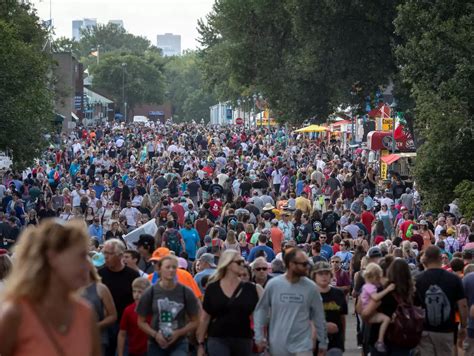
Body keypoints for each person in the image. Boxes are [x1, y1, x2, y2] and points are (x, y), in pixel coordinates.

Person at [0, 219, 101, 356]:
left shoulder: (86, 313)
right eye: (81, 256)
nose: (89, 265)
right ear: (52, 258)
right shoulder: (15, 315)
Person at [253, 247, 328, 356]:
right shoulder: (274, 285)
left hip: (303, 346)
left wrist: (323, 342)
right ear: (291, 264)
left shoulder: (311, 287)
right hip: (278, 346)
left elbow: (319, 316)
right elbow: (261, 311)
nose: (307, 267)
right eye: (304, 264)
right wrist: (259, 337)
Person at [196, 250, 263, 356]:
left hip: (243, 339)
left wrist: (259, 337)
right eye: (239, 262)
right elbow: (205, 318)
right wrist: (200, 344)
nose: (243, 264)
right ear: (228, 264)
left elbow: (256, 316)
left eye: (243, 261)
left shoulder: (250, 289)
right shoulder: (213, 288)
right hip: (218, 338)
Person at [136, 255, 200, 355]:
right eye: (167, 267)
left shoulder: (185, 292)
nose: (171, 270)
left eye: (174, 267)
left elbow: (195, 320)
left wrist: (179, 333)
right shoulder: (151, 292)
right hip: (156, 343)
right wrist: (155, 334)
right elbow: (141, 321)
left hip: (179, 342)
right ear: (159, 269)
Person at [415, 246, 468, 356]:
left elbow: (414, 306)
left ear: (425, 260)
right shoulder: (454, 279)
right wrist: (463, 326)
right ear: (440, 258)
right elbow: (462, 305)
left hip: (425, 330)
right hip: (446, 330)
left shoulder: (418, 279)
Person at [99, 239, 140, 356]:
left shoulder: (132, 275)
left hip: (127, 325)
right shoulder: (100, 274)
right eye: (104, 253)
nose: (106, 257)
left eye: (109, 253)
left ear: (120, 255)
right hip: (106, 325)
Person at [311, 261, 347, 355]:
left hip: (335, 341)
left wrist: (342, 339)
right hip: (314, 341)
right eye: (320, 273)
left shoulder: (338, 294)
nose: (324, 276)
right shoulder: (309, 295)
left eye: (327, 273)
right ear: (314, 276)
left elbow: (342, 318)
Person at [82, 260, 118, 355]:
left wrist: (96, 326)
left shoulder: (101, 288)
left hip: (98, 339)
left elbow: (113, 316)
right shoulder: (70, 289)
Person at [359, 263, 395, 353]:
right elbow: (376, 297)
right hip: (370, 313)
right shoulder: (370, 287)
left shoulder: (366, 286)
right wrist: (387, 289)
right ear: (374, 277)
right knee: (386, 319)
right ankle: (380, 340)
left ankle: (380, 340)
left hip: (369, 313)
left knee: (386, 319)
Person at [118, 277, 151, 356]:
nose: (136, 295)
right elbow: (122, 334)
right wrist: (120, 354)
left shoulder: (153, 309)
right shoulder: (128, 310)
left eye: (140, 292)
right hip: (134, 351)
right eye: (134, 291)